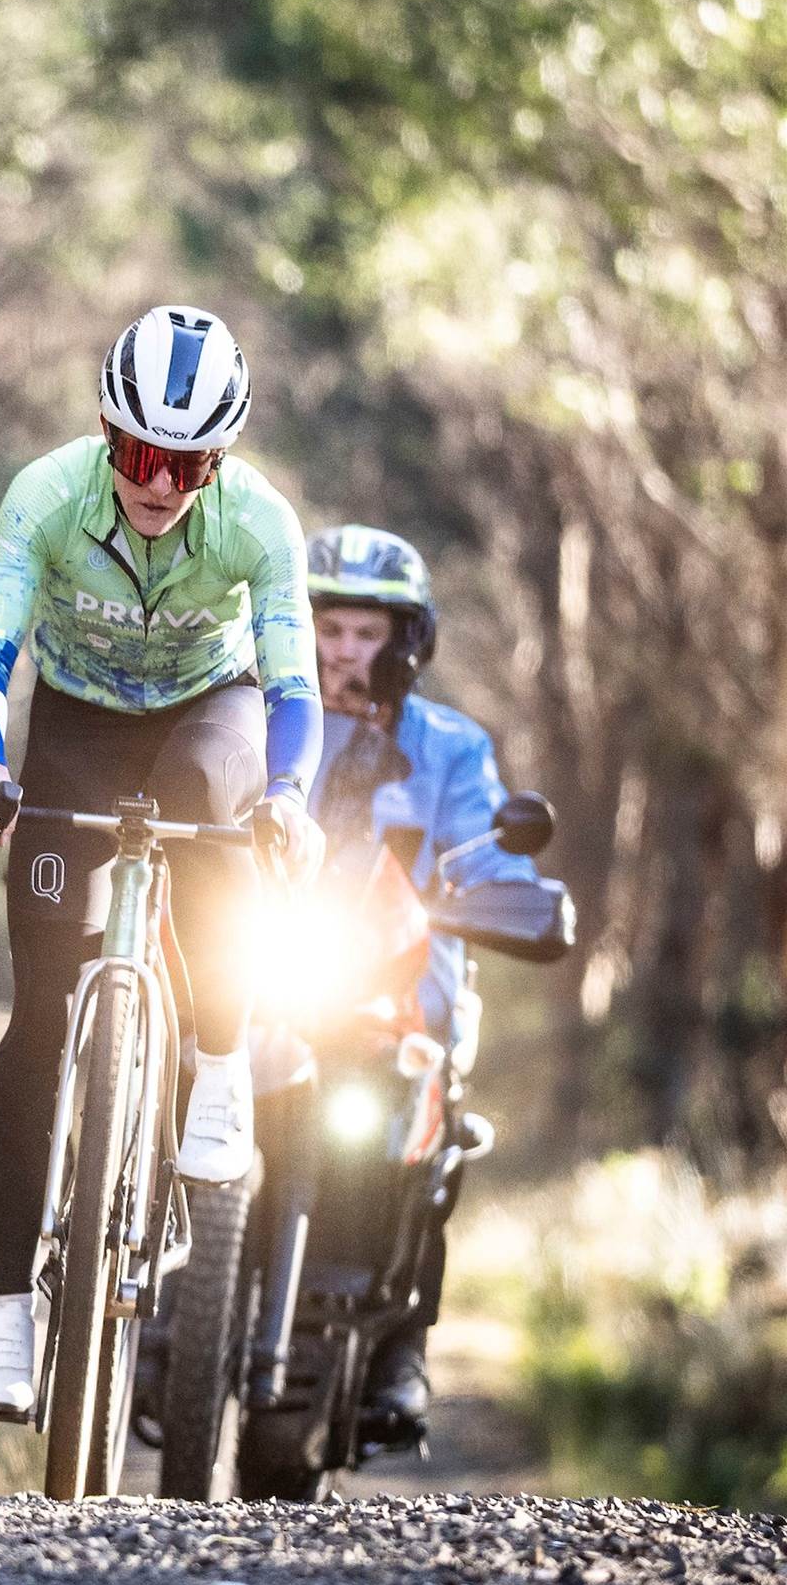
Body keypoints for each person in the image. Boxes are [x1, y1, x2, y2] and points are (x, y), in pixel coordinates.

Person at [0, 304, 324, 1417]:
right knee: (40, 1015)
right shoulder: (48, 495)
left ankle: (215, 1064)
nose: (159, 481)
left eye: (188, 461)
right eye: (140, 453)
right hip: (76, 720)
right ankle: (7, 1313)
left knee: (221, 807)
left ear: (222, 460)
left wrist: (292, 797)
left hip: (210, 708)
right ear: (107, 437)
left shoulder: (261, 522)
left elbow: (293, 688)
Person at [305, 523, 539, 1437]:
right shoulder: (262, 718)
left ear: (407, 641)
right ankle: (153, 1289)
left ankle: (402, 1347)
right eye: (330, 630)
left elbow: (493, 860)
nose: (346, 653)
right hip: (268, 970)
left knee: (429, 1139)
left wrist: (507, 896)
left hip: (401, 995)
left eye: (367, 634)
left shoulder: (450, 747)